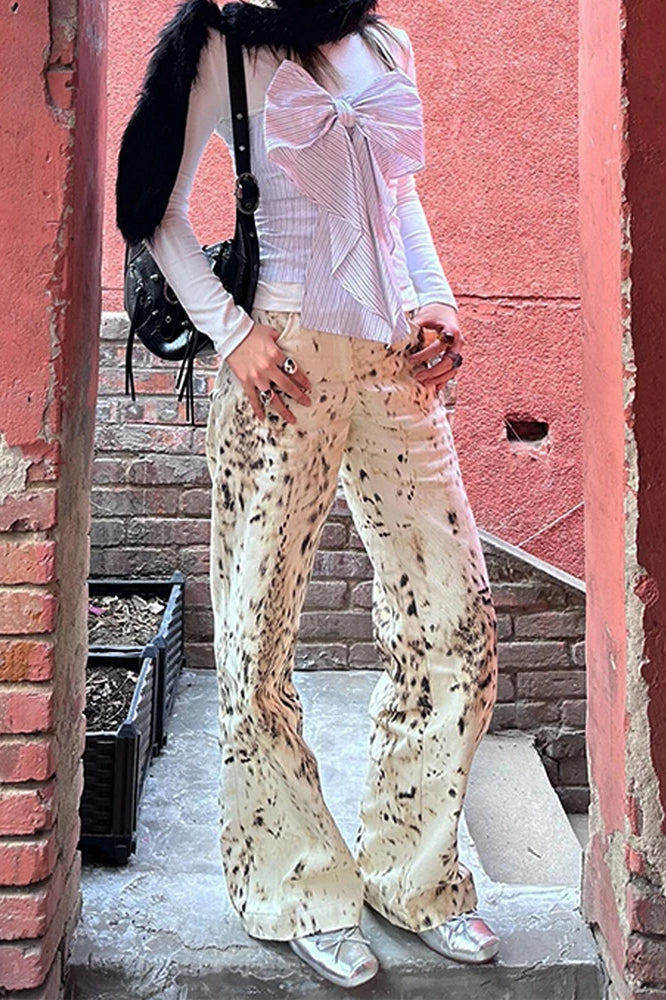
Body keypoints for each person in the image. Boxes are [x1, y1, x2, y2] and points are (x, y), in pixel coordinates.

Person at [116, 0, 500, 988]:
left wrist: (434, 299)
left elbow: (396, 198)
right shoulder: (218, 39)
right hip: (281, 366)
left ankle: (412, 874)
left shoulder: (378, 39)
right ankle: (298, 887)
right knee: (256, 638)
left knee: (458, 623)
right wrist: (232, 334)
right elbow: (153, 207)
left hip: (393, 362)